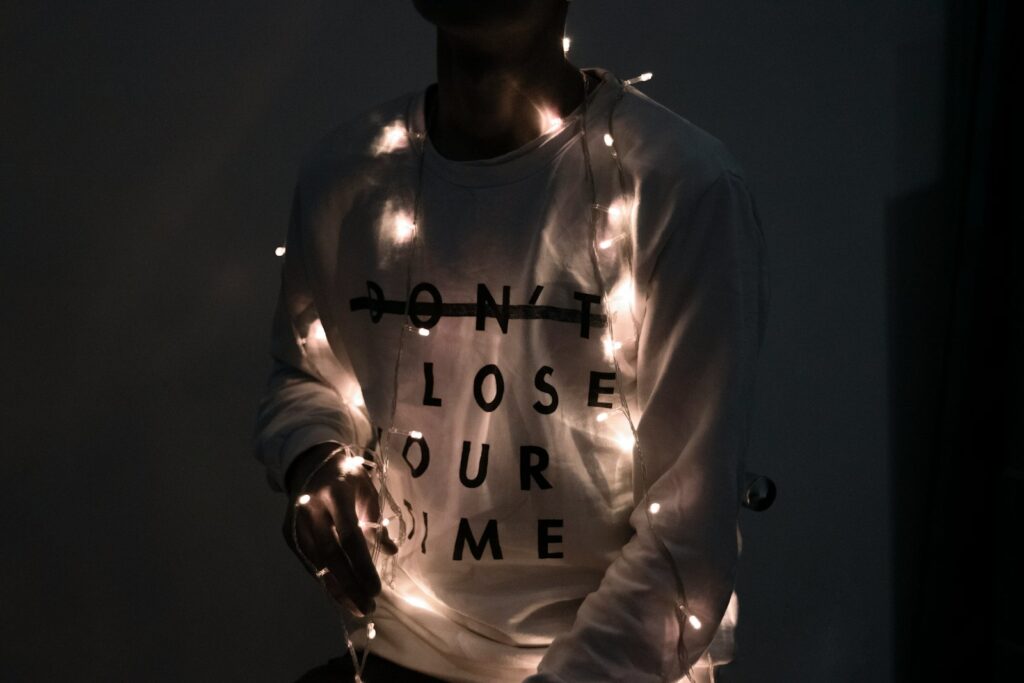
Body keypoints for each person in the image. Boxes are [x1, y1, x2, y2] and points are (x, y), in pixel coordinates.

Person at [253, 1, 768, 681]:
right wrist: (316, 459)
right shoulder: (348, 176)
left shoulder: (680, 187)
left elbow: (688, 541)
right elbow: (305, 377)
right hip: (398, 655)